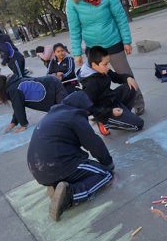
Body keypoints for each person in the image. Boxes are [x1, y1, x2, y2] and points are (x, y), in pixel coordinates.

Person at [65, 0, 145, 115]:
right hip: (93, 50)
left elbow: (120, 18)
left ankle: (138, 102)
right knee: (95, 84)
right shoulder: (72, 1)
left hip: (113, 42)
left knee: (125, 75)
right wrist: (77, 53)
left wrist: (126, 41)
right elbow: (74, 28)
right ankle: (104, 111)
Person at [27, 91, 115, 221]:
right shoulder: (74, 116)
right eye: (88, 112)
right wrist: (108, 163)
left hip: (39, 171)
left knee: (82, 166)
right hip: (57, 166)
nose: (88, 115)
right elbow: (94, 143)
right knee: (105, 174)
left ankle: (56, 186)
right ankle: (71, 196)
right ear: (82, 108)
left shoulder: (54, 115)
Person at [79, 46, 143, 136]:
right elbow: (90, 107)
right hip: (104, 111)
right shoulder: (90, 83)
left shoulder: (102, 69)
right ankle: (104, 122)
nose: (108, 67)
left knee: (130, 86)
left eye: (108, 63)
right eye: (105, 64)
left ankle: (122, 116)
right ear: (94, 65)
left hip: (111, 99)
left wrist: (127, 77)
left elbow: (116, 77)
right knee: (138, 124)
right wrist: (110, 112)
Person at [0, 74, 66, 133]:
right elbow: (16, 106)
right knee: (60, 113)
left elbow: (18, 107)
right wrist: (13, 122)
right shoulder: (11, 87)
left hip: (53, 85)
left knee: (65, 112)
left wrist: (23, 125)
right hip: (50, 84)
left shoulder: (13, 90)